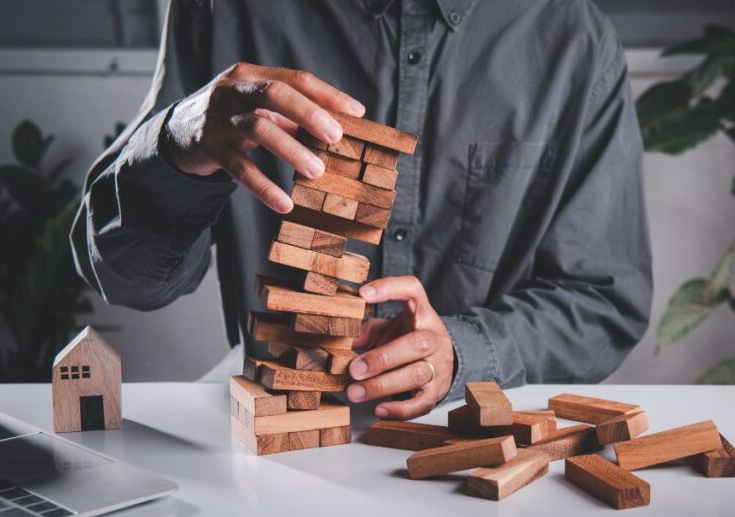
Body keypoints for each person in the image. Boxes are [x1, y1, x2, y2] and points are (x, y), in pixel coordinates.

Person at [71, 0, 652, 420]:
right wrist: (179, 138)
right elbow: (121, 276)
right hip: (275, 433)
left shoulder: (574, 37)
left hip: (474, 445)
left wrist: (463, 351)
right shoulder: (220, 9)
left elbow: (604, 301)